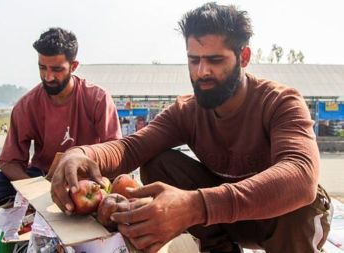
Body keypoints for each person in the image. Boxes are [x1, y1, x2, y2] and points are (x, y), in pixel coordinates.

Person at [50, 3, 331, 253]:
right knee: (158, 162)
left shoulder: (279, 102)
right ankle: (219, 248)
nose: (201, 72)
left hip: (282, 223)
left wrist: (196, 205)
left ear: (243, 57)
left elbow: (301, 176)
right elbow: (131, 147)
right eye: (194, 59)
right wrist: (82, 154)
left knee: (296, 198)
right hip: (225, 217)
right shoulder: (187, 111)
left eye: (215, 60)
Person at [0, 27, 122, 211]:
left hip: (86, 178)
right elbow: (9, 161)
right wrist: (35, 192)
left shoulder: (97, 98)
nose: (48, 76)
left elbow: (115, 151)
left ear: (74, 66)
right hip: (41, 178)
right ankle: (41, 204)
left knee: (120, 190)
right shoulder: (27, 105)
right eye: (42, 68)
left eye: (57, 69)